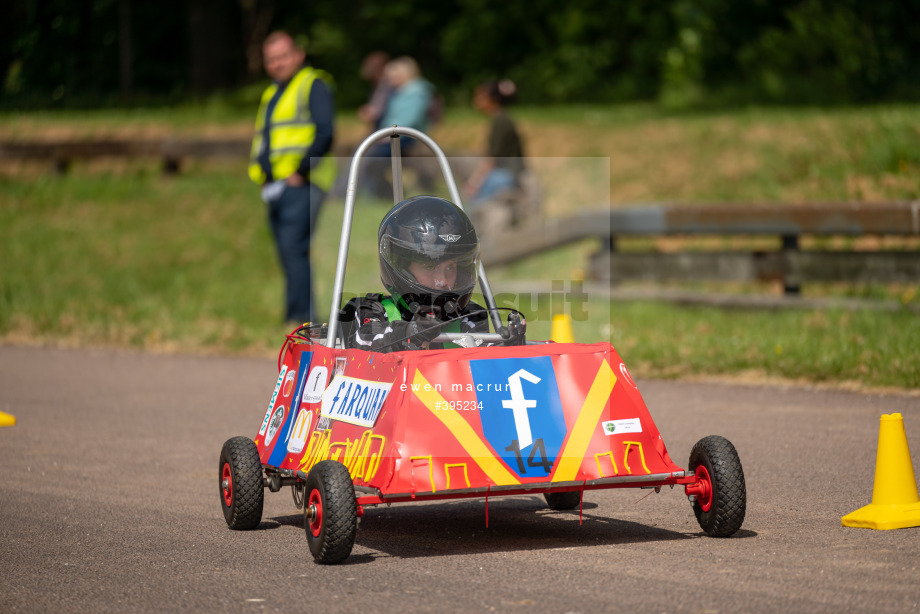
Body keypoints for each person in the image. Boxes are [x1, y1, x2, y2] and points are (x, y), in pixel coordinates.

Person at [339, 196, 518, 352]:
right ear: (402, 267)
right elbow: (364, 343)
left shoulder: (469, 317)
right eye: (429, 267)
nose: (442, 281)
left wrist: (506, 351)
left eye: (451, 268)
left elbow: (483, 367)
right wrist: (410, 333)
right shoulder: (370, 311)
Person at [249, 31, 336, 325]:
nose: (277, 64)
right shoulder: (273, 92)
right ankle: (299, 315)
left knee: (294, 249)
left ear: (298, 54)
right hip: (276, 187)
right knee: (289, 253)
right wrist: (263, 175)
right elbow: (267, 139)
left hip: (303, 184)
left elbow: (325, 132)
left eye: (283, 56)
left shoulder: (313, 85)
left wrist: (300, 171)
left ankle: (301, 318)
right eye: (271, 59)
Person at [462, 79, 526, 207]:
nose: (476, 100)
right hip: (507, 172)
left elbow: (492, 158)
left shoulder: (500, 121)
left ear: (492, 99)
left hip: (506, 175)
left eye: (480, 97)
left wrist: (474, 183)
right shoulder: (501, 118)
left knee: (472, 203)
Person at [357, 51, 392, 132]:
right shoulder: (378, 84)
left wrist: (368, 111)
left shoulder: (387, 85)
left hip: (387, 127)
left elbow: (377, 110)